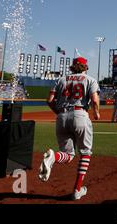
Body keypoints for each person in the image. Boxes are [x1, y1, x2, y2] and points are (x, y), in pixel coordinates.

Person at [39, 57, 100, 201]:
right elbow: (95, 99)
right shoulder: (90, 79)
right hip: (80, 114)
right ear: (85, 67)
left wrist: (60, 113)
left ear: (72, 67)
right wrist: (96, 113)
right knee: (85, 153)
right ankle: (77, 190)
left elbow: (49, 100)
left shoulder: (60, 80)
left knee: (68, 155)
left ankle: (54, 157)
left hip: (62, 116)